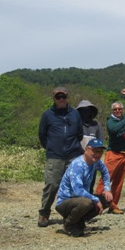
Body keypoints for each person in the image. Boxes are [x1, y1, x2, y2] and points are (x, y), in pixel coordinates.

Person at [37, 86, 84, 228]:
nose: (61, 99)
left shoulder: (75, 114)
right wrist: (52, 147)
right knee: (51, 186)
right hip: (55, 156)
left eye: (63, 96)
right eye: (58, 97)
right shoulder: (47, 115)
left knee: (73, 186)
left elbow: (79, 134)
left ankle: (71, 215)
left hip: (73, 155)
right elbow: (42, 135)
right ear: (54, 99)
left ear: (68, 97)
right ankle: (44, 213)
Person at [55, 139, 113, 237]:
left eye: (100, 152)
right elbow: (78, 191)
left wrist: (107, 189)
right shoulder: (78, 165)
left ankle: (78, 220)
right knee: (87, 203)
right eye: (95, 151)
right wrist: (96, 200)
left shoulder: (96, 162)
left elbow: (105, 172)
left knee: (107, 200)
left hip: (80, 200)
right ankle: (69, 224)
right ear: (87, 149)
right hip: (65, 201)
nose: (97, 154)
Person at [97, 88, 125, 214]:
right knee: (106, 179)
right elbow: (114, 130)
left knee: (119, 182)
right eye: (115, 109)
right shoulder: (110, 121)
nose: (118, 111)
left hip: (124, 154)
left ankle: (113, 205)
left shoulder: (124, 117)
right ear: (112, 111)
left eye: (120, 109)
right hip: (113, 154)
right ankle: (96, 204)